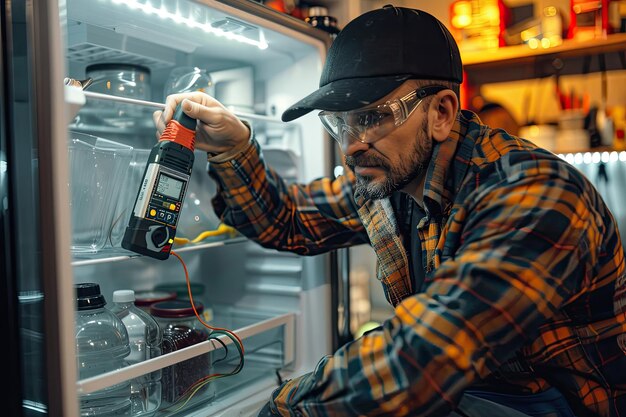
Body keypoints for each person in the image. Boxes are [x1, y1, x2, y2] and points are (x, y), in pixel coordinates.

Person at [153, 5, 626, 417]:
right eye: (342, 123)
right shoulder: (391, 182)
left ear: (441, 113)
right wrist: (233, 149)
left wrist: (283, 408)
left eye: (375, 116)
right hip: (468, 393)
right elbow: (288, 220)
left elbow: (423, 359)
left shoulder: (535, 195)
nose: (353, 146)